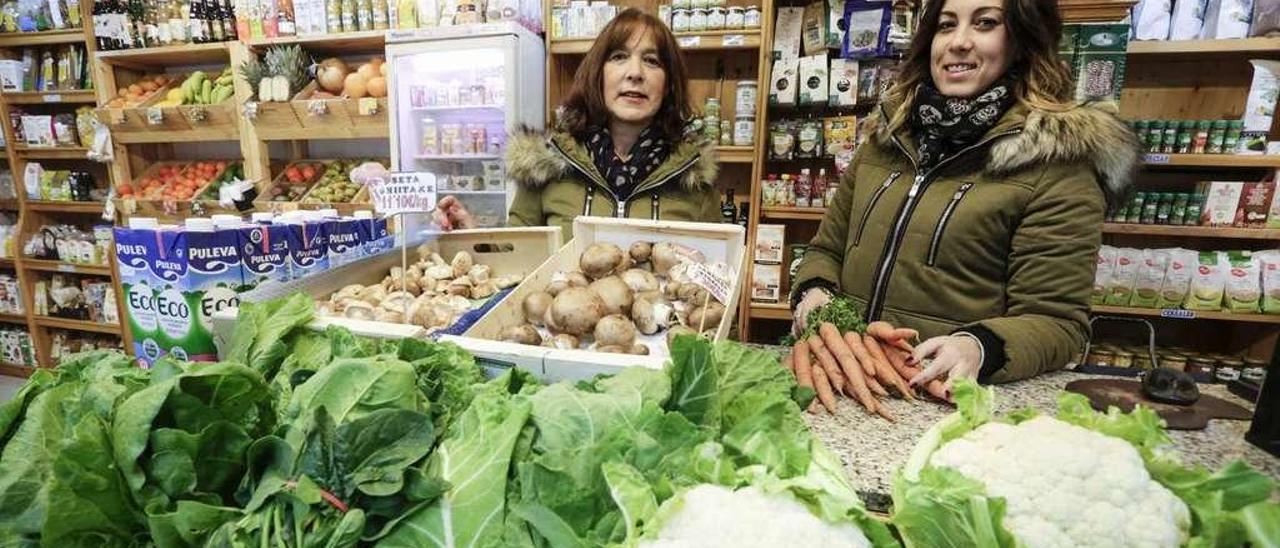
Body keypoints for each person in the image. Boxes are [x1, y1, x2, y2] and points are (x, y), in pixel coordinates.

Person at [790, 0, 1139, 392]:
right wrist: (813, 292)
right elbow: (826, 250)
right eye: (945, 25)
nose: (958, 42)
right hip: (837, 382)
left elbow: (1056, 322)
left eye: (985, 23)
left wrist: (977, 348)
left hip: (944, 398)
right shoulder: (887, 137)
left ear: (1023, 39)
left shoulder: (1057, 164)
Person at [434, 8, 722, 234]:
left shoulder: (693, 176)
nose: (635, 73)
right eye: (619, 56)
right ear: (598, 74)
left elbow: (719, 279)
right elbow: (516, 256)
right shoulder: (547, 163)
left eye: (652, 61)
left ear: (669, 84)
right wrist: (471, 233)